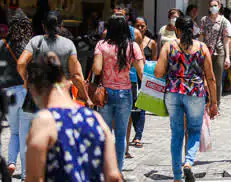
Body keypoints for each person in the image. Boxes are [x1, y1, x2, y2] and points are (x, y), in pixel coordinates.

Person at [25, 53, 122, 181]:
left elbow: (35, 178)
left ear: (34, 89)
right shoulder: (95, 119)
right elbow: (114, 176)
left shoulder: (44, 121)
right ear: (66, 82)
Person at [154, 16, 218, 182]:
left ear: (177, 30)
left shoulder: (169, 46)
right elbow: (211, 78)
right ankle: (188, 163)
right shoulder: (202, 48)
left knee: (176, 134)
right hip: (196, 93)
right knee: (194, 131)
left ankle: (177, 176)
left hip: (174, 92)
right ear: (193, 30)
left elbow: (158, 72)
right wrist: (214, 103)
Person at [93, 15, 144, 171]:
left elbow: (97, 69)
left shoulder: (101, 45)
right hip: (125, 92)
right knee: (121, 135)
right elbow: (141, 71)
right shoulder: (132, 46)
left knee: (106, 133)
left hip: (106, 93)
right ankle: (118, 170)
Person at [18, 10, 92, 107]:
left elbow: (21, 63)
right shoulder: (68, 44)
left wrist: (26, 82)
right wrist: (86, 98)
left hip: (39, 94)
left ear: (43, 26)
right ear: (61, 26)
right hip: (62, 96)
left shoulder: (35, 41)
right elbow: (76, 76)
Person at [0, 9, 33, 178]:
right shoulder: (31, 45)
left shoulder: (2, 44)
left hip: (8, 94)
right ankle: (26, 173)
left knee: (13, 132)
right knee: (25, 133)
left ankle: (12, 162)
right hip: (25, 92)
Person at [130, 17, 157, 148]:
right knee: (132, 106)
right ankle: (135, 131)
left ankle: (138, 135)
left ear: (146, 27)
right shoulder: (130, 41)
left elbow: (154, 62)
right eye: (137, 26)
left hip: (145, 76)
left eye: (142, 26)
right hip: (132, 77)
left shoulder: (152, 43)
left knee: (142, 106)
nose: (140, 28)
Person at [200, 0, 231, 105]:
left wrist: (227, 57)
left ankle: (216, 102)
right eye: (211, 5)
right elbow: (201, 36)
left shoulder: (224, 21)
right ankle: (206, 100)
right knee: (204, 77)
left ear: (219, 6)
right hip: (206, 52)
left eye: (215, 5)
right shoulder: (204, 20)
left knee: (217, 79)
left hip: (219, 52)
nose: (213, 8)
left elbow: (226, 40)